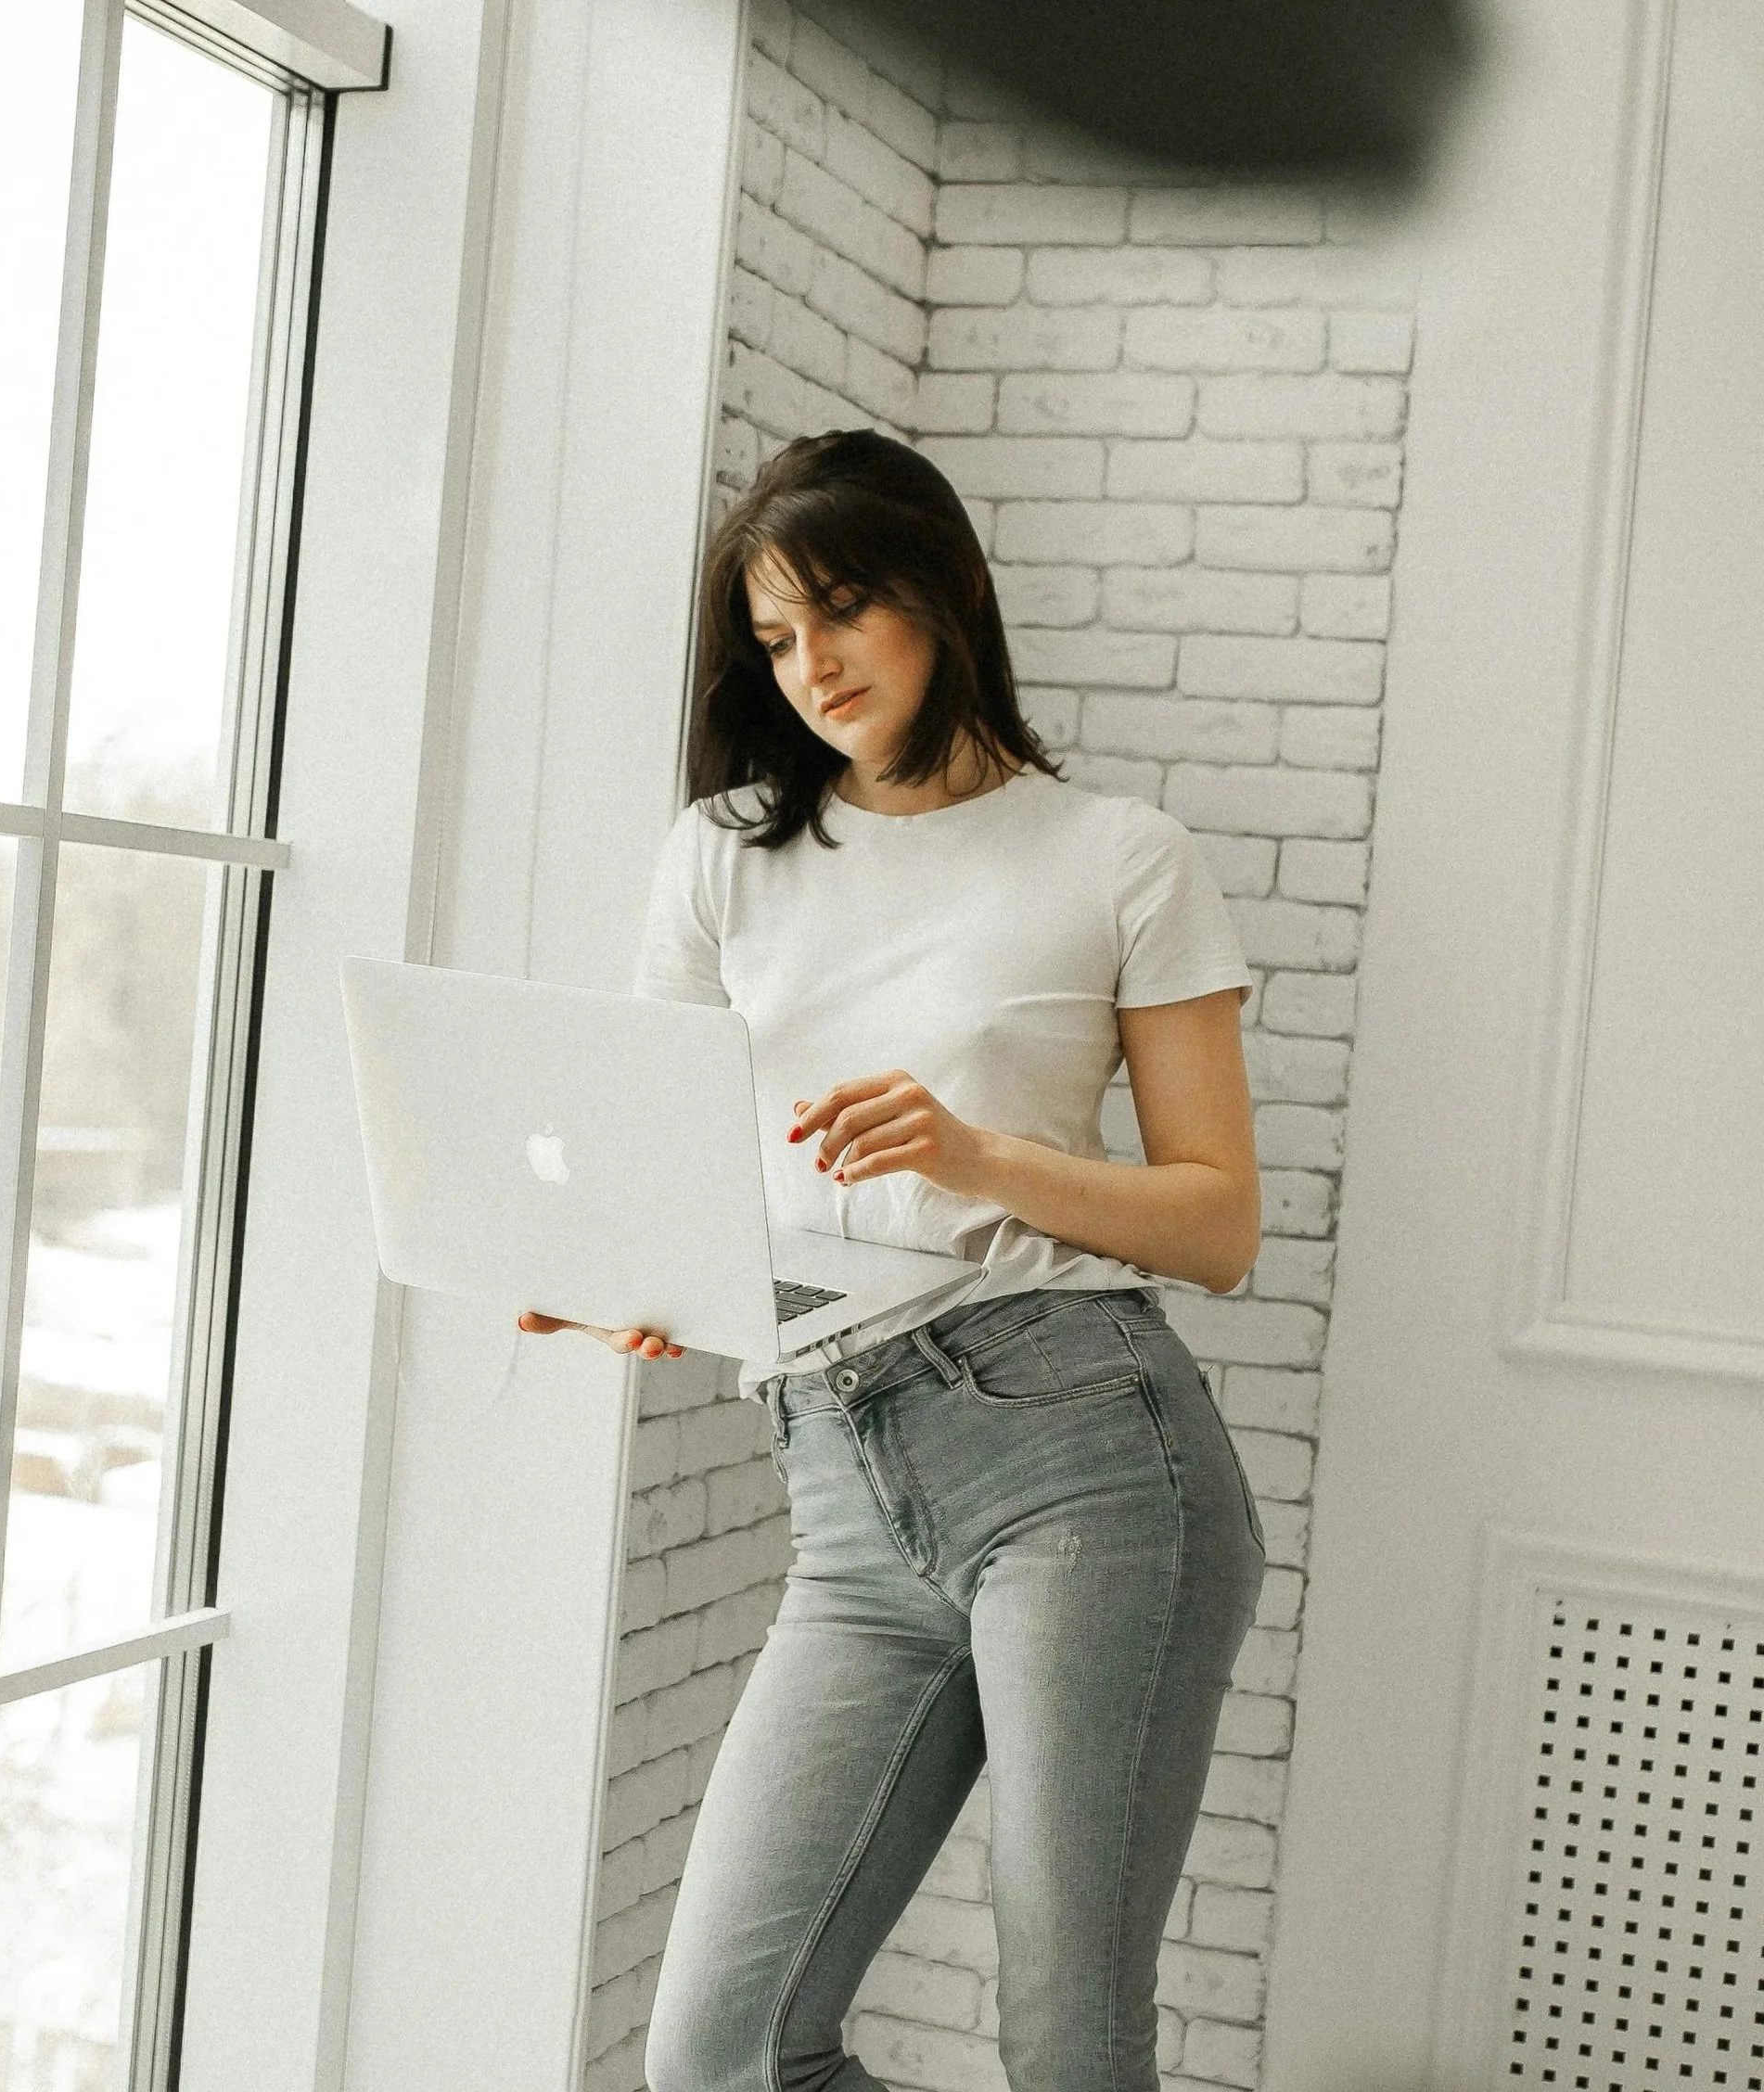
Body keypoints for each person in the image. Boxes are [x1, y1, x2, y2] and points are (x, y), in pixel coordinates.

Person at [518, 427, 1266, 2091]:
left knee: (1070, 2034)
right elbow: (672, 1151)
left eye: (844, 611)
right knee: (719, 2054)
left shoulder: (1119, 856)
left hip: (1081, 1452)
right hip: (843, 1481)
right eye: (775, 639)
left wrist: (977, 1154)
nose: (813, 667)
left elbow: (1219, 1223)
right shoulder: (726, 851)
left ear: (946, 594)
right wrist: (618, 1271)